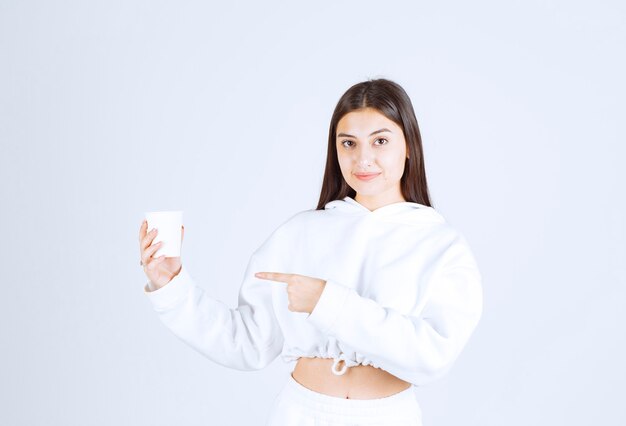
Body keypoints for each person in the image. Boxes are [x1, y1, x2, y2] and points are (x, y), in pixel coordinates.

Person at [138, 78, 483, 425]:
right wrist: (172, 287)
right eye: (348, 143)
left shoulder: (440, 245)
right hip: (300, 413)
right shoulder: (299, 233)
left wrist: (328, 302)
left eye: (380, 141)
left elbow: (432, 356)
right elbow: (245, 342)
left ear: (409, 146)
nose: (363, 159)